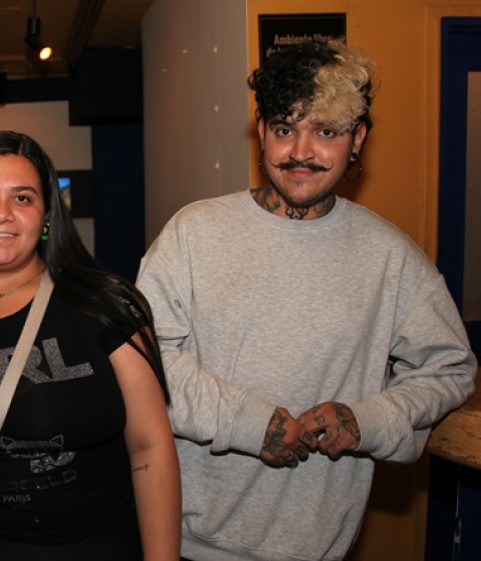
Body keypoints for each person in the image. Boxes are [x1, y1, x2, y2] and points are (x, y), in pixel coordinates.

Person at [136, 39, 477, 561]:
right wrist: (249, 423)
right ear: (262, 132)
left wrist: (370, 420)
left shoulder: (391, 257)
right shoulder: (194, 233)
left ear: (357, 138)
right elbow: (145, 360)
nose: (300, 151)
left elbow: (450, 368)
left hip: (318, 548)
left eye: (326, 131)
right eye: (284, 128)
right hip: (186, 543)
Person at [0, 130, 181, 560]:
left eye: (22, 198)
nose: (2, 214)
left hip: (90, 548)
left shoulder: (105, 304)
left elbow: (150, 446)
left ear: (48, 215)